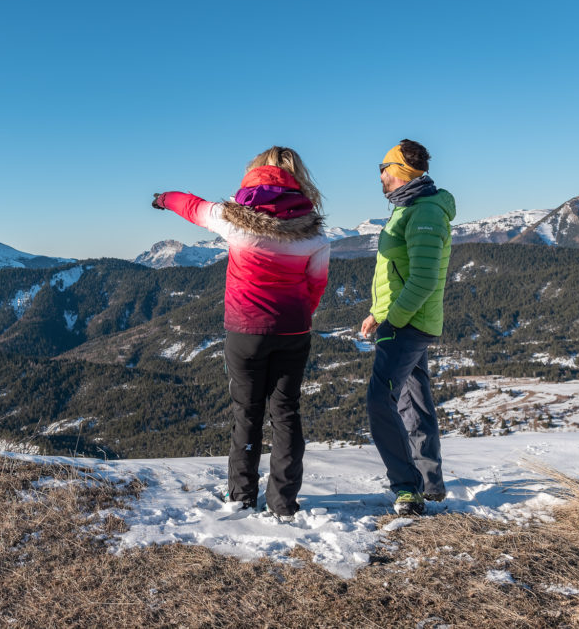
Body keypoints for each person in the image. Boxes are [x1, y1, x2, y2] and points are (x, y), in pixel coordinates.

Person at [153, 146, 330, 520]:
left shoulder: (235, 220)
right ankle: (283, 502)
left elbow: (192, 206)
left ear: (255, 176)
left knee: (246, 413)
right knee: (286, 413)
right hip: (294, 331)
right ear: (298, 179)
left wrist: (162, 199)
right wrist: (296, 317)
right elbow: (316, 286)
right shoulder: (313, 234)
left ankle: (242, 496)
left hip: (245, 330)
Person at [360, 139, 456, 515]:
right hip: (405, 321)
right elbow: (396, 274)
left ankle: (407, 489)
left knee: (379, 400)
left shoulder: (425, 213)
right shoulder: (411, 209)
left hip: (408, 325)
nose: (380, 177)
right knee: (413, 400)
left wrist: (392, 323)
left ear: (397, 171)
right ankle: (429, 484)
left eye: (382, 169)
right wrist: (377, 311)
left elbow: (423, 280)